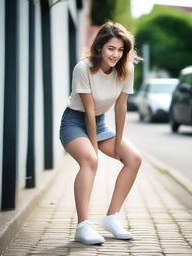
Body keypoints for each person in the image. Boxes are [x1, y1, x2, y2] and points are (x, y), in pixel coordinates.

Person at [59, 21, 142, 245]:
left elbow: (121, 107)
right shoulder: (83, 68)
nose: (115, 54)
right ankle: (83, 225)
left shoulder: (127, 69)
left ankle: (112, 218)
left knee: (133, 159)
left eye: (120, 49)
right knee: (89, 160)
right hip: (74, 122)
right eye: (111, 48)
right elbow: (87, 112)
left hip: (101, 123)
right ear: (99, 48)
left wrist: (118, 144)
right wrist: (94, 147)